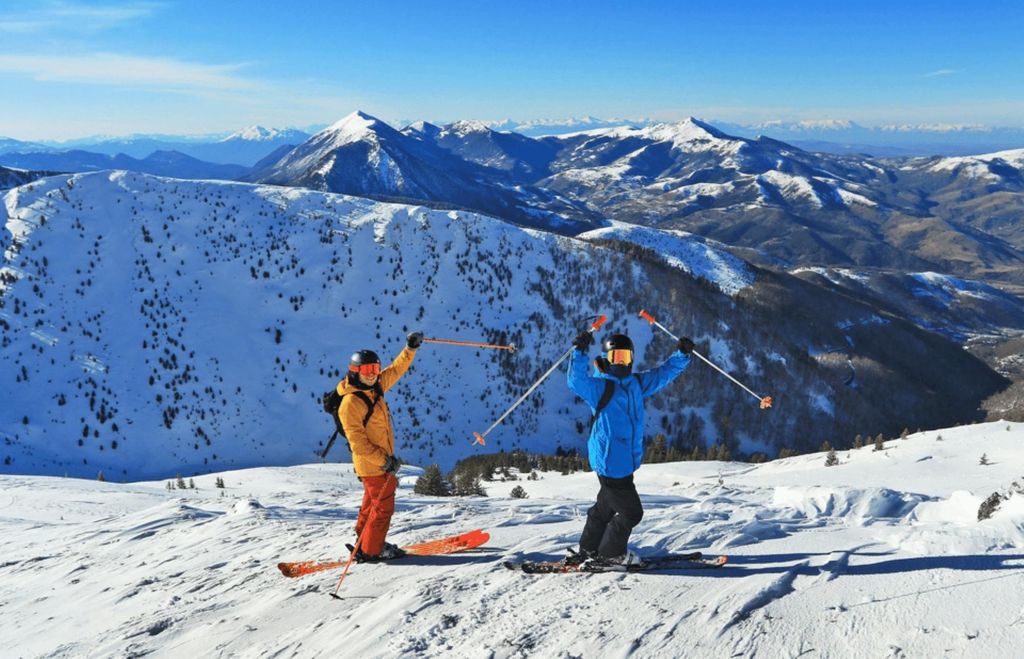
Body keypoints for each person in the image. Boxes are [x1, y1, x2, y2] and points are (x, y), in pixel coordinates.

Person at [566, 330, 694, 566]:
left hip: (624, 461)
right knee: (631, 512)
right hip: (611, 462)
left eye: (625, 357)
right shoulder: (600, 387)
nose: (621, 362)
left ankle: (589, 549)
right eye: (616, 357)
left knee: (604, 508)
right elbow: (575, 381)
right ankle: (611, 554)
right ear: (607, 358)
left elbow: (662, 374)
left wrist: (682, 355)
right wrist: (579, 352)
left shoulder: (635, 383)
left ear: (632, 358)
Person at [338, 331, 423, 562]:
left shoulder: (374, 388)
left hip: (377, 462)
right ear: (355, 372)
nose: (372, 375)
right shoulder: (350, 403)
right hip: (372, 464)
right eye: (367, 371)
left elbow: (396, 370)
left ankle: (364, 541)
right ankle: (373, 550)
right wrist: (384, 461)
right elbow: (358, 443)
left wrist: (410, 349)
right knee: (383, 507)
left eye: (375, 369)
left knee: (371, 503)